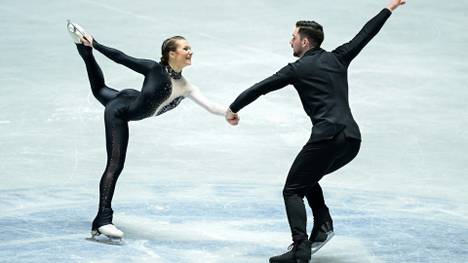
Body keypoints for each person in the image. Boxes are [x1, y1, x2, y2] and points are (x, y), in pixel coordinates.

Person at [225, 0, 407, 262]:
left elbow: (261, 87)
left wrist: (233, 108)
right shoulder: (338, 57)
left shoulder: (297, 69)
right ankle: (322, 225)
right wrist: (389, 9)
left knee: (292, 190)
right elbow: (365, 34)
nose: (291, 42)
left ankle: (300, 252)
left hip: (327, 137)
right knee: (307, 178)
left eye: (294, 37)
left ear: (306, 42)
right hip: (351, 140)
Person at [66, 21, 234, 240]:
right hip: (120, 110)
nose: (190, 52)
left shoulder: (186, 86)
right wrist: (95, 43)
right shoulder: (154, 69)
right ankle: (102, 220)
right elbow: (121, 57)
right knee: (115, 164)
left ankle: (82, 49)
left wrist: (230, 112)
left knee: (100, 90)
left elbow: (211, 106)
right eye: (185, 48)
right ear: (171, 54)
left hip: (130, 98)